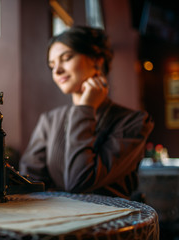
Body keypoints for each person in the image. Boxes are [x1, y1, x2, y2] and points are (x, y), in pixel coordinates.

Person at [19, 26, 154, 199]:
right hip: (52, 221)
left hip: (110, 223)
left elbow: (79, 181)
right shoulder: (49, 120)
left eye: (66, 58)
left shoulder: (134, 122)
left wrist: (85, 109)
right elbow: (29, 182)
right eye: (52, 65)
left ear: (97, 61)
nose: (57, 70)